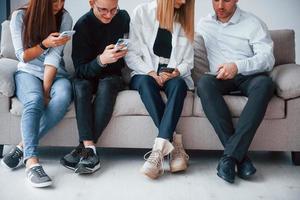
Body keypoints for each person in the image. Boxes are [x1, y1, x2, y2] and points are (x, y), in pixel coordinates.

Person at [196, 0, 275, 183]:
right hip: (220, 77)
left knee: (265, 85)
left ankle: (228, 158)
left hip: (250, 76)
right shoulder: (203, 24)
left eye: (227, 0)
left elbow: (267, 59)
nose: (220, 6)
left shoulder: (253, 23)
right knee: (204, 84)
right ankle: (241, 158)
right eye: (215, 0)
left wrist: (237, 66)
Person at [1, 0, 73, 187]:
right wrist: (44, 43)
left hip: (56, 73)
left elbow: (54, 56)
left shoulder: (65, 17)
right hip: (28, 72)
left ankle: (21, 147)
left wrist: (47, 91)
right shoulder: (20, 16)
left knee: (64, 95)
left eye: (63, 0)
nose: (60, 4)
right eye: (55, 1)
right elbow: (22, 55)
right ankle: (31, 162)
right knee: (34, 100)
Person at [125, 0, 195, 179]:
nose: (184, 2)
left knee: (179, 85)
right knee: (146, 84)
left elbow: (189, 61)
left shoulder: (184, 18)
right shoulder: (142, 12)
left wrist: (176, 71)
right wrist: (150, 72)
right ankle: (175, 145)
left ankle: (157, 152)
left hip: (171, 73)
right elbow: (131, 53)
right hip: (144, 71)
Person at [60, 0, 130, 174]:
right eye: (103, 10)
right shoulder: (83, 25)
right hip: (88, 76)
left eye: (113, 10)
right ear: (91, 3)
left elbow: (136, 44)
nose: (109, 15)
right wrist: (101, 61)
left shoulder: (123, 17)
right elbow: (81, 70)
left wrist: (125, 49)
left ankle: (83, 149)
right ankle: (90, 150)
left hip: (112, 77)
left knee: (107, 84)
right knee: (80, 85)